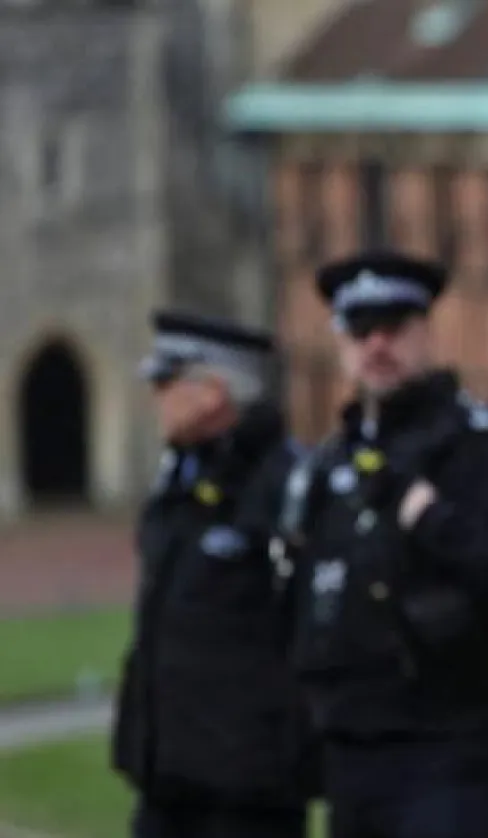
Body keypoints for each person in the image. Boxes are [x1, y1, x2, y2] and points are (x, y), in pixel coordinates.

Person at [273, 250, 488, 838]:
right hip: (352, 752)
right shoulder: (328, 466)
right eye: (361, 331)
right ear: (341, 343)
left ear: (426, 334)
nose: (377, 346)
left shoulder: (474, 448)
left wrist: (436, 522)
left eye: (394, 329)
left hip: (447, 749)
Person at [112, 310, 318, 838]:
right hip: (168, 779)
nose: (157, 396)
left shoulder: (284, 485)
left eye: (167, 381)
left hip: (247, 791)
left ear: (213, 391)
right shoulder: (179, 478)